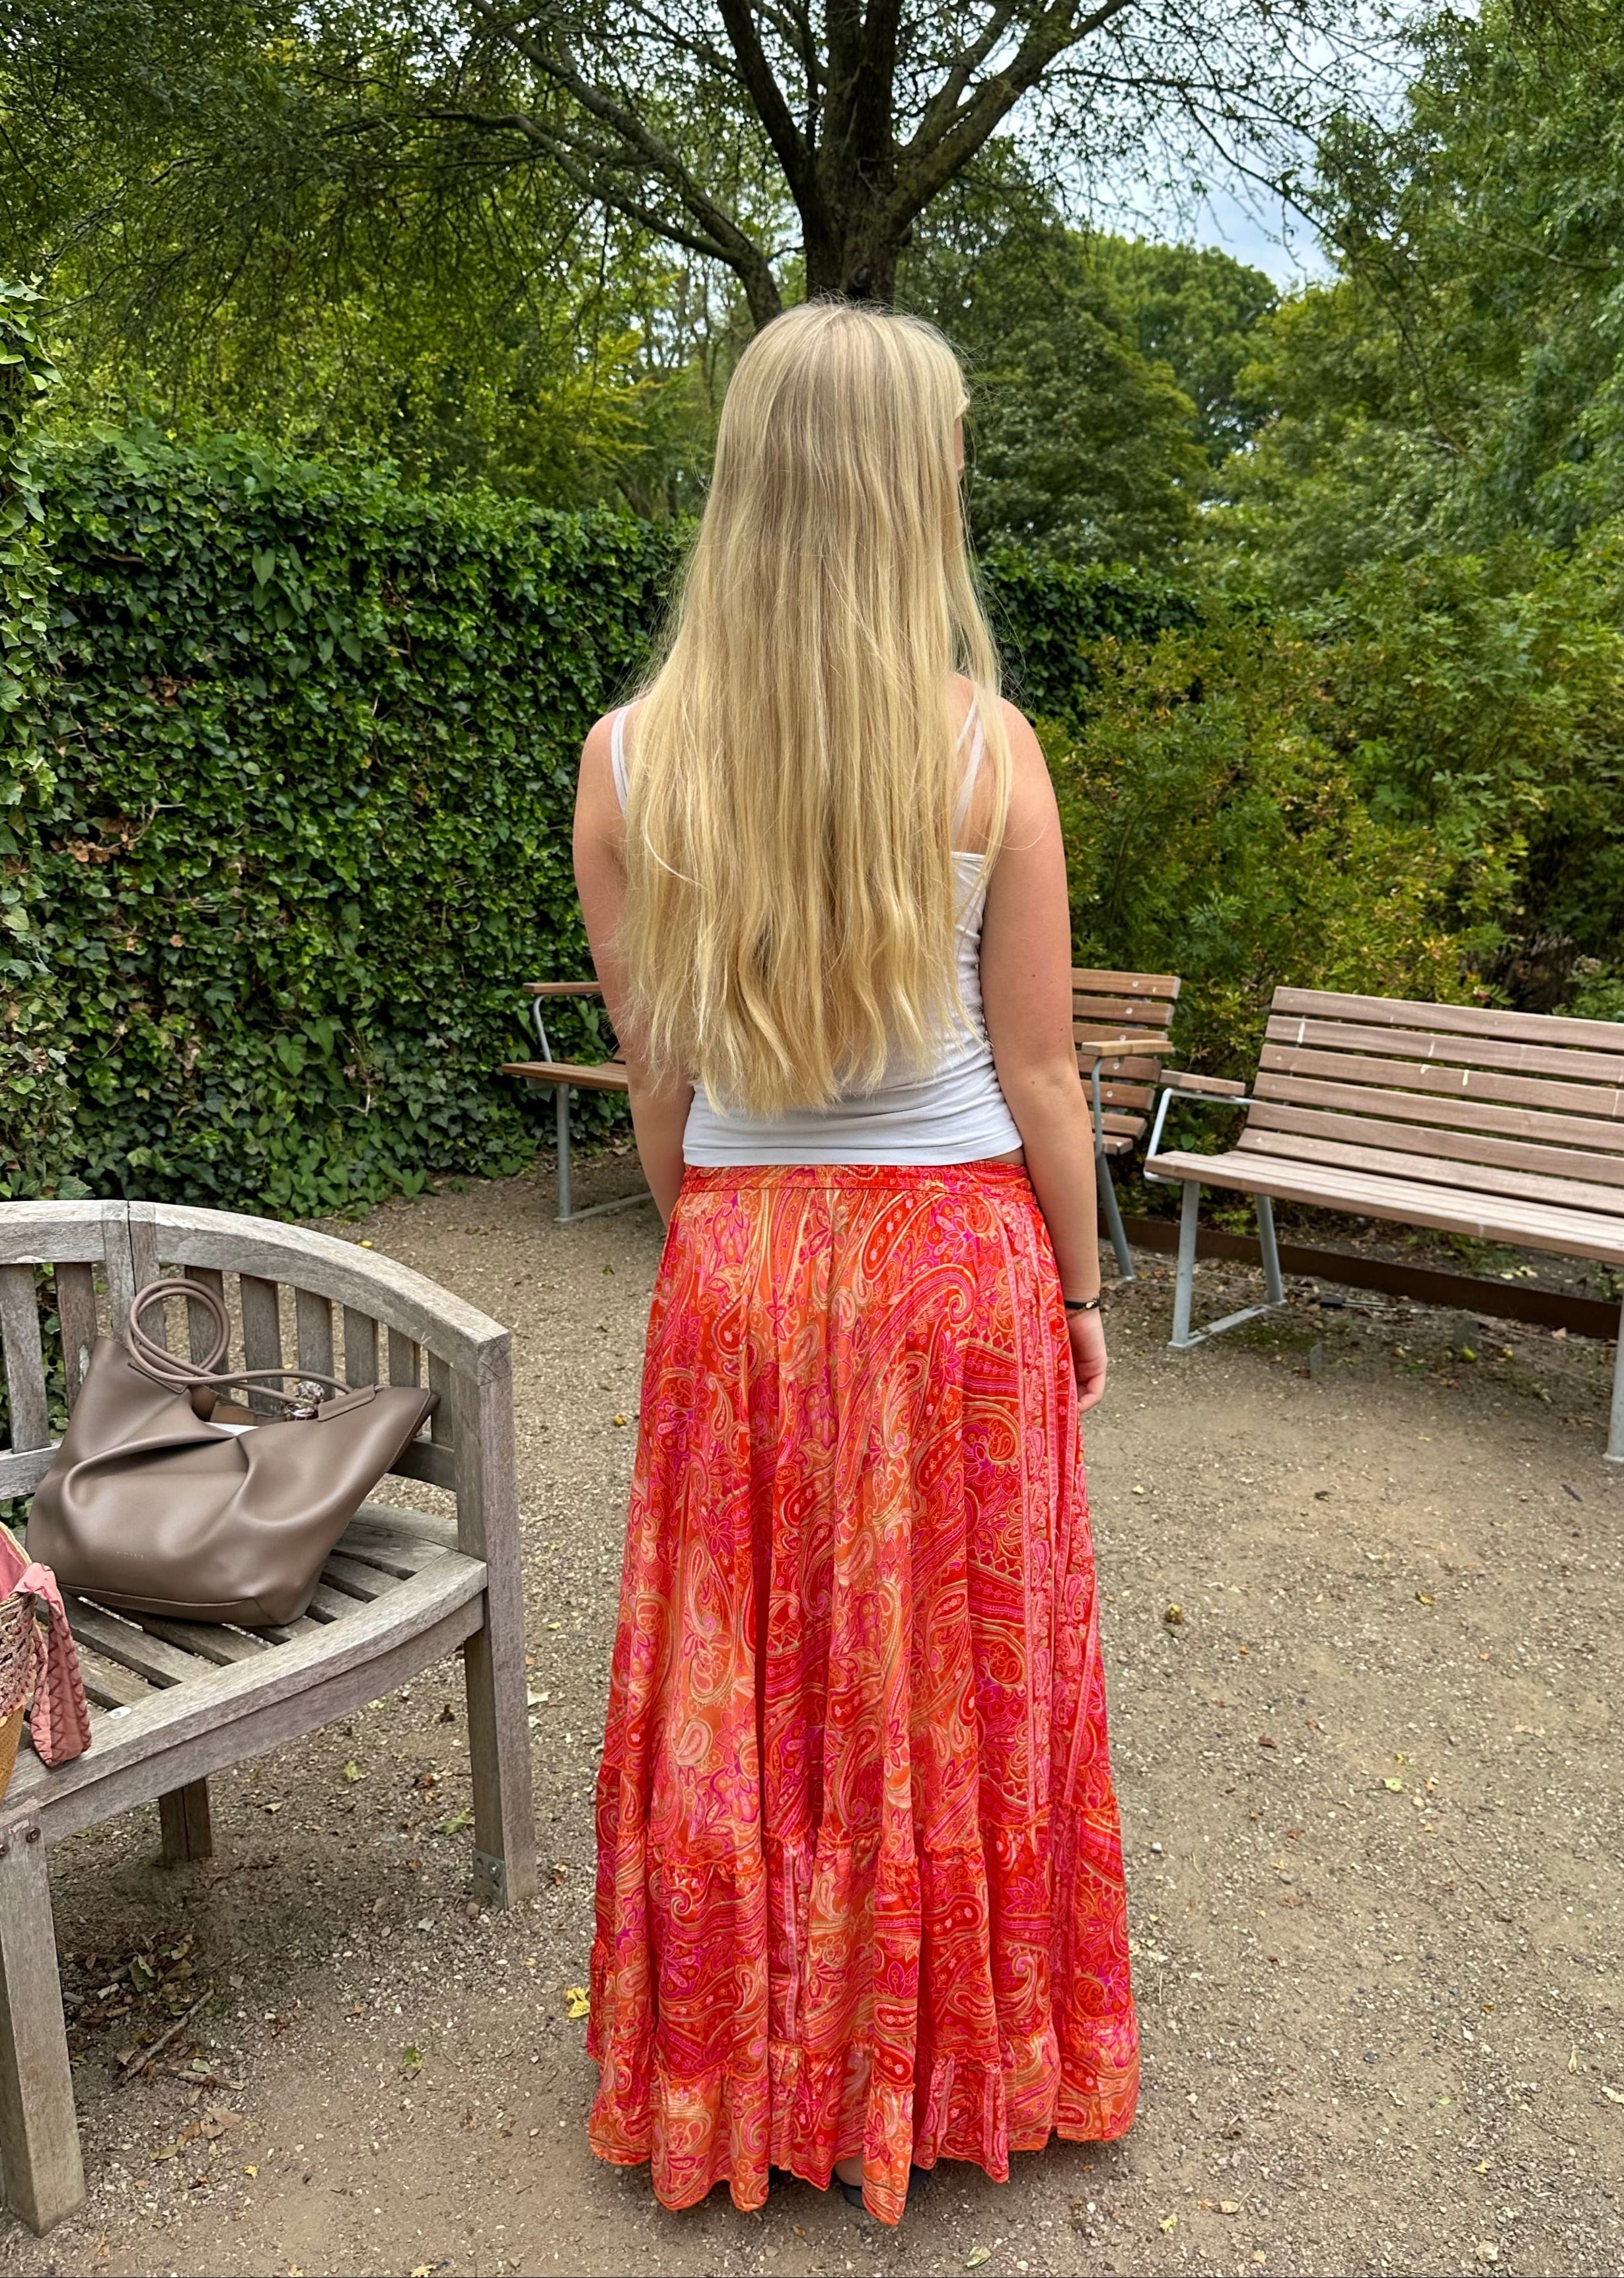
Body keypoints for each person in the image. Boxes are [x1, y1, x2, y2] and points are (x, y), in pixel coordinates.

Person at [572, 301, 1138, 2228]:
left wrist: (728, 1251)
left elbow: (660, 1078)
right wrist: (1081, 1297)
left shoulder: (631, 761)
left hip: (741, 1259)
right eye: (953, 445)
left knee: (747, 1676)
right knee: (954, 1680)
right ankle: (953, 2063)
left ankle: (742, 2071)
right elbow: (1043, 1072)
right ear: (911, 486)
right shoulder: (987, 749)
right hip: (958, 1263)